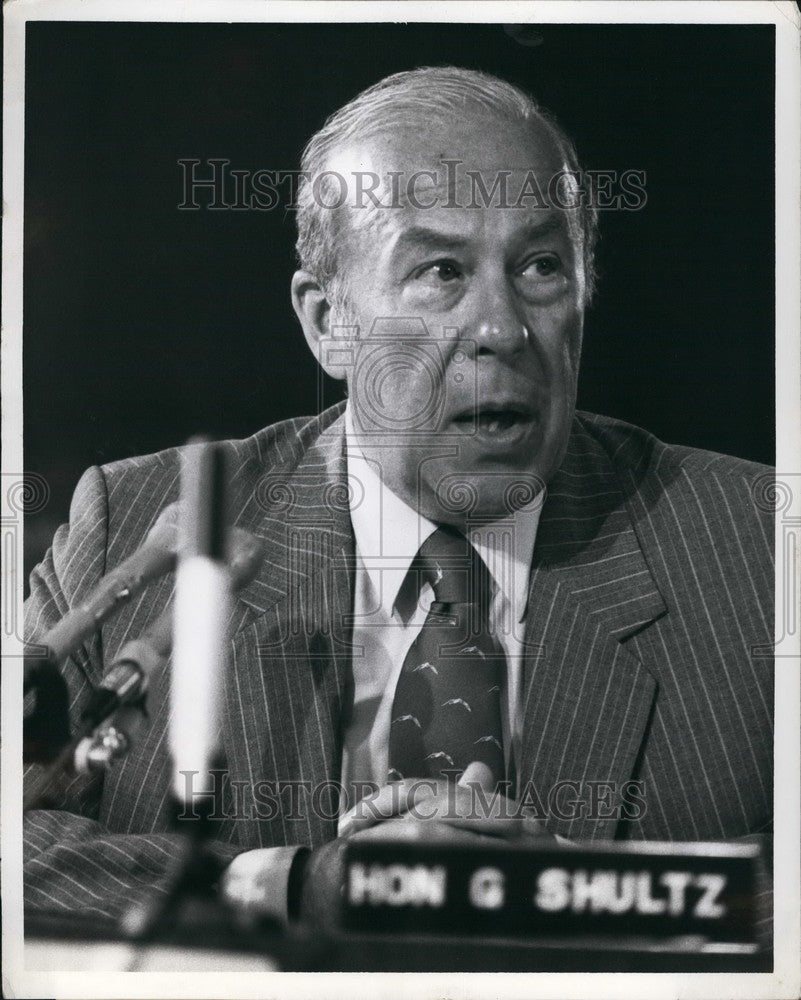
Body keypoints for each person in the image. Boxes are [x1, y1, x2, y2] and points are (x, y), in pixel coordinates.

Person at [23, 67, 773, 930]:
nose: (501, 328)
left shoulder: (754, 543)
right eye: (440, 271)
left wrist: (571, 896)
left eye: (539, 266)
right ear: (327, 323)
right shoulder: (136, 523)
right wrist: (300, 887)